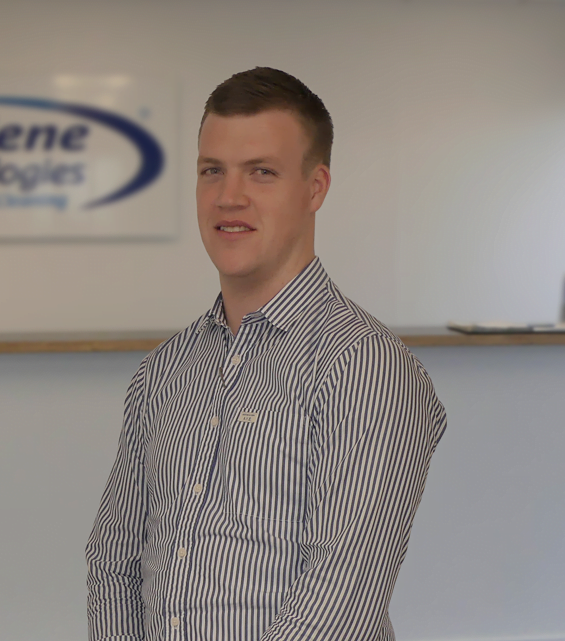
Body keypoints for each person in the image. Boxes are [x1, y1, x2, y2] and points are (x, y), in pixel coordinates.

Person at [85, 67, 447, 641]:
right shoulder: (162, 372)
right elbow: (114, 565)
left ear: (315, 188)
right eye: (212, 171)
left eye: (262, 172)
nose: (229, 197)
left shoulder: (365, 366)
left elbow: (341, 600)